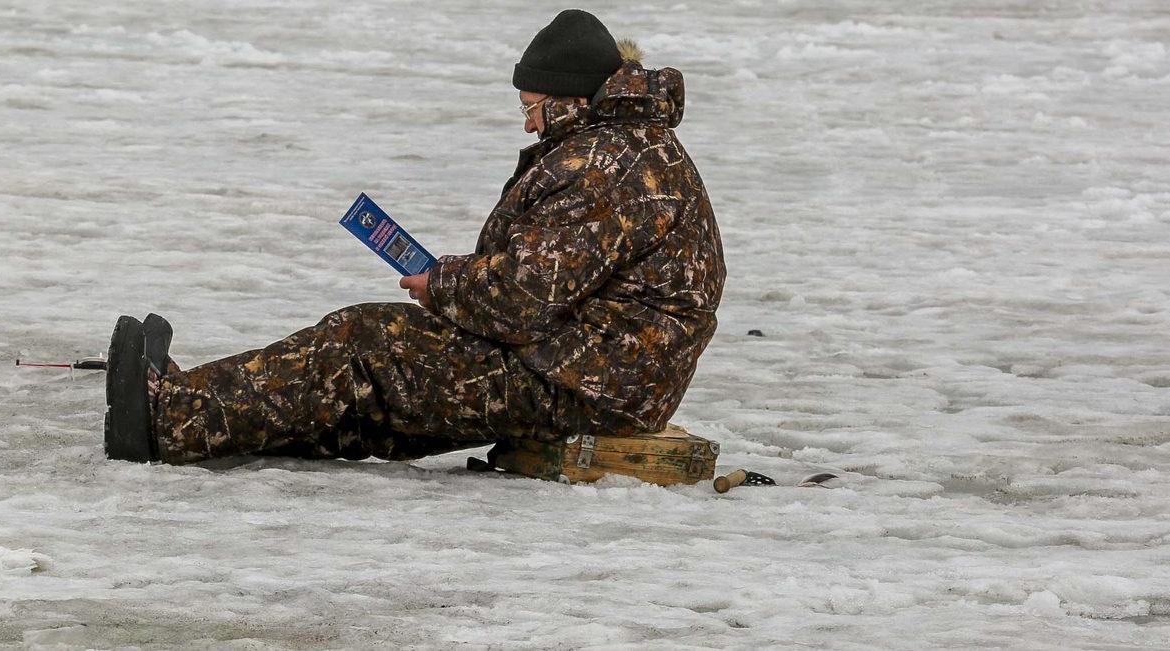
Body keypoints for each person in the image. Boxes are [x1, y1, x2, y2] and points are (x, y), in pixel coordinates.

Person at [103, 9, 725, 464]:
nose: (530, 121)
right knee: (374, 404)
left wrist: (443, 282)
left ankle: (169, 418)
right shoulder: (628, 147)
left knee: (363, 340)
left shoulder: (604, 167)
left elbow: (522, 298)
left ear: (571, 98)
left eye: (533, 107)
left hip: (585, 385)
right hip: (600, 373)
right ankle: (198, 407)